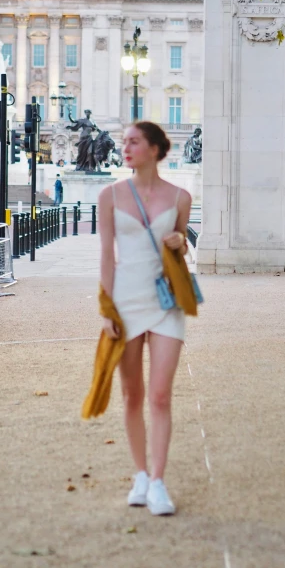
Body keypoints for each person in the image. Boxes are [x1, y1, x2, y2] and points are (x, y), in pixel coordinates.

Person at [98, 121, 192, 516]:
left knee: (160, 395)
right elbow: (106, 255)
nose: (126, 148)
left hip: (166, 300)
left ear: (155, 149)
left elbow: (182, 244)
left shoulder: (181, 197)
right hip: (126, 299)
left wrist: (181, 242)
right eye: (125, 142)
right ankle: (139, 473)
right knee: (132, 395)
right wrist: (106, 310)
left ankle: (157, 480)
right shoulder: (110, 195)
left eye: (134, 141)